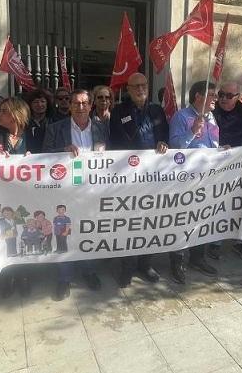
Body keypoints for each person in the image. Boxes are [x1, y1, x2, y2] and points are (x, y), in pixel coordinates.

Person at [42, 89, 108, 300]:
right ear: (69, 106)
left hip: (92, 191)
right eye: (76, 103)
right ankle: (64, 278)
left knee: (89, 231)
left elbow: (113, 157)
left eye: (85, 103)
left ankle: (89, 271)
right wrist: (63, 149)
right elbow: (43, 156)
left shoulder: (101, 128)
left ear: (91, 106)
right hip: (65, 192)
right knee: (64, 233)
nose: (81, 107)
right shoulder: (55, 128)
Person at [109, 72, 168, 287]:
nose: (141, 89)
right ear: (128, 89)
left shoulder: (157, 110)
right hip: (129, 176)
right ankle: (128, 267)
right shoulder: (119, 111)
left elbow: (165, 135)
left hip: (153, 176)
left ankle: (146, 264)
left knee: (150, 221)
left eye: (144, 84)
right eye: (135, 86)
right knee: (130, 223)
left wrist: (163, 142)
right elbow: (114, 143)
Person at [0, 97, 33, 296]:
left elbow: (47, 158)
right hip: (1, 197)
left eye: (3, 110)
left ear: (15, 113)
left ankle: (24, 276)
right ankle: (7, 276)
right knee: (5, 236)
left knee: (24, 234)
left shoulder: (33, 133)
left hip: (27, 196)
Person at [169, 81, 220, 281]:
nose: (216, 98)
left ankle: (197, 258)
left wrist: (222, 151)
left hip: (207, 178)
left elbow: (213, 145)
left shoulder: (213, 118)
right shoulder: (181, 116)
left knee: (202, 218)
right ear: (198, 96)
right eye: (212, 95)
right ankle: (177, 261)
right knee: (182, 220)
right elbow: (174, 147)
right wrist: (192, 131)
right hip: (185, 180)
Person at [210, 81, 242, 262]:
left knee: (241, 205)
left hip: (241, 167)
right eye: (221, 94)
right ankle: (215, 242)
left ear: (237, 97)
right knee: (218, 205)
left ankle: (239, 240)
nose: (223, 98)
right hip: (218, 168)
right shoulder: (212, 111)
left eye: (229, 96)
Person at [23, 89, 55, 154]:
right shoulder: (24, 123)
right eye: (36, 102)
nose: (39, 105)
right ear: (30, 105)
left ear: (47, 104)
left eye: (42, 101)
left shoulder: (53, 122)